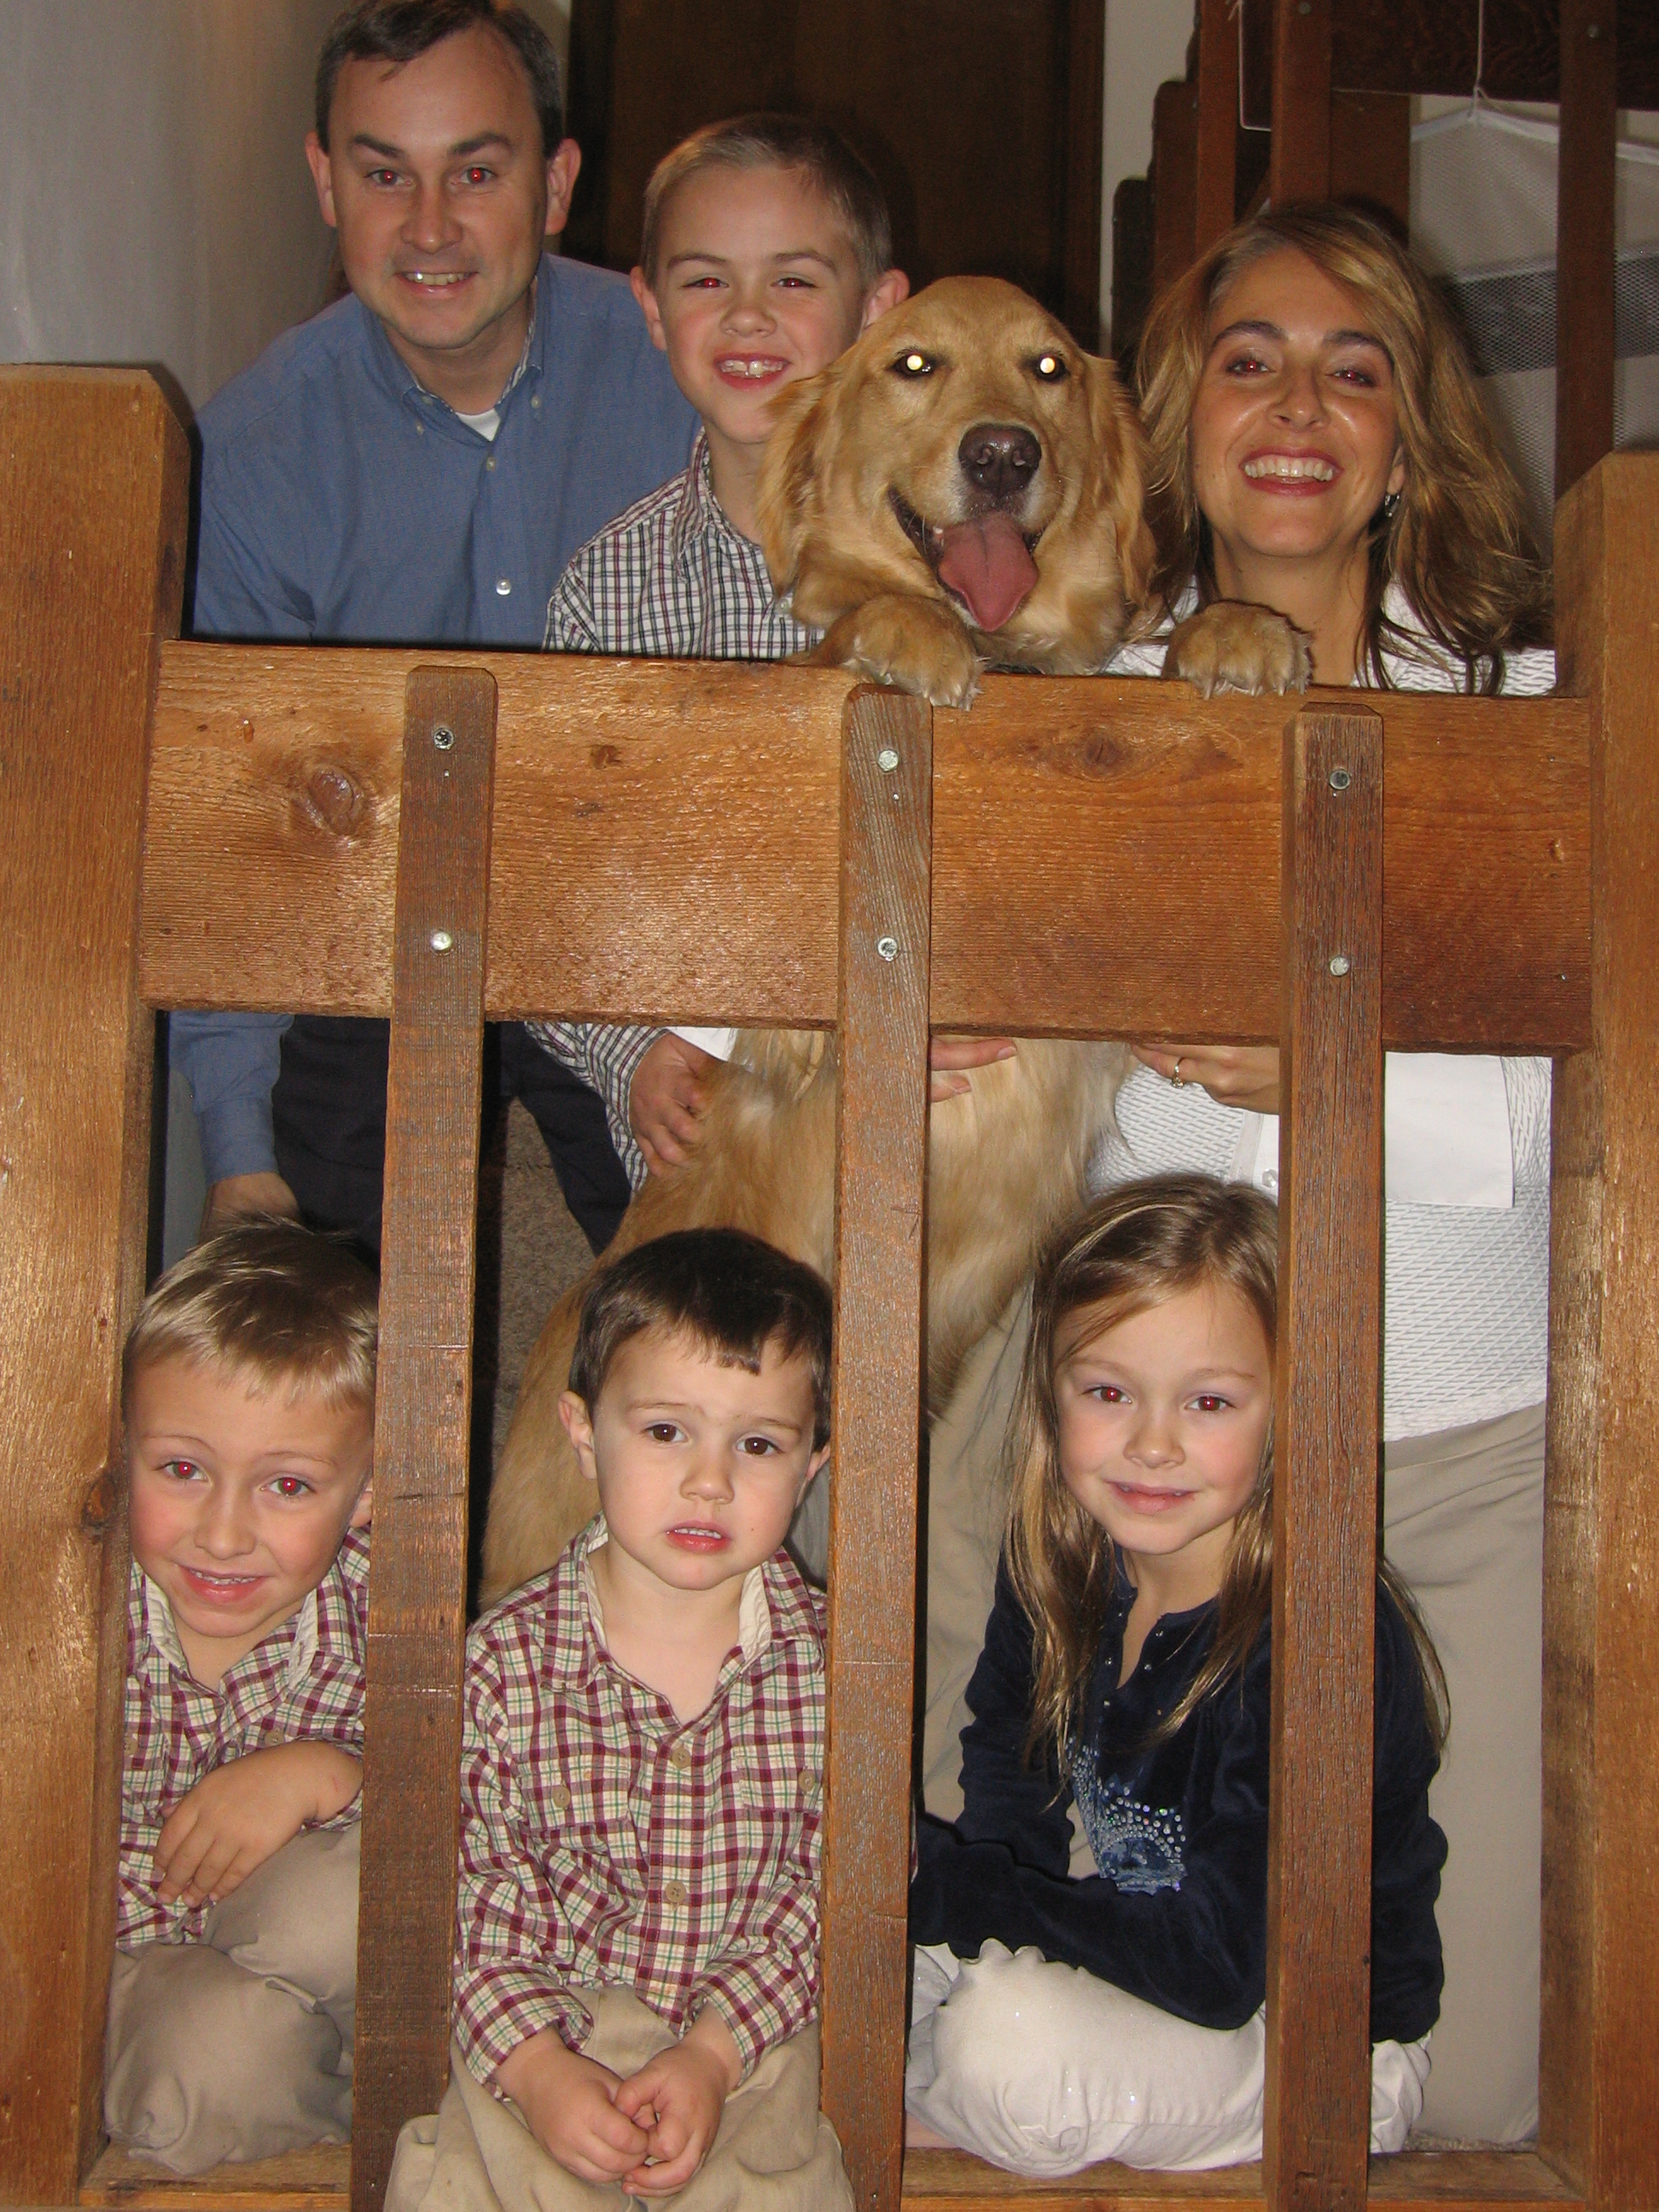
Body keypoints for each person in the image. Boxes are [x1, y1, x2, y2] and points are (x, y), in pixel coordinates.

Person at [922, 202, 1554, 2142]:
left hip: (1438, 1439)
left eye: (1350, 369)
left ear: (1407, 432)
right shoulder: (1082, 685)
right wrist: (924, 1032)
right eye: (1245, 363)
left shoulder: (1524, 714)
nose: (1292, 408)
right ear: (1171, 419)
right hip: (1121, 1457)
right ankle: (1114, 2074)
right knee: (960, 1926)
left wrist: (1330, 1061)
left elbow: (1568, 1107)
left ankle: (1238, 2093)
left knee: (1483, 2078)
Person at [169, 0, 697, 1257]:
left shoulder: (683, 373)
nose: (429, 229)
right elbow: (225, 822)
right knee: (317, 1286)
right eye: (383, 174)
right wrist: (239, 1155)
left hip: (632, 911)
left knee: (706, 1274)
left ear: (555, 184)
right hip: (377, 923)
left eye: (476, 171)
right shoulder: (254, 451)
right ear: (324, 182)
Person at [907, 1175, 1447, 2175]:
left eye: (1209, 1402)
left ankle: (958, 2104)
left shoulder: (1320, 1638)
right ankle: (954, 2092)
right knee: (844, 1944)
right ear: (1050, 1393)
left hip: (1310, 2045)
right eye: (1108, 1393)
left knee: (1003, 2035)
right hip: (1159, 1983)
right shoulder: (1061, 1560)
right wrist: (944, 1903)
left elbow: (1218, 1966)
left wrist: (951, 1894)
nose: (1152, 1444)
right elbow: (1010, 1794)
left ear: (1288, 1407)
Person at [524, 112, 1010, 1190]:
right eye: (705, 281)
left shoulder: (975, 570)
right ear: (650, 307)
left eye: (794, 280)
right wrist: (629, 1050)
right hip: (721, 1152)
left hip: (947, 1130)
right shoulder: (610, 587)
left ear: (880, 309)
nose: (747, 315)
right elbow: (557, 886)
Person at [385, 1229, 850, 2211]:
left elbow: (833, 1884)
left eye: (758, 1444)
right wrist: (537, 2066)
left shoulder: (833, 1668)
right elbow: (472, 1884)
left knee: (786, 2172)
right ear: (582, 1430)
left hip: (749, 2034)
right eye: (666, 1431)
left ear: (813, 1465)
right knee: (468, 2171)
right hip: (552, 2020)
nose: (710, 1481)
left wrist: (713, 2052)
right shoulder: (502, 1664)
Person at [106, 1218, 379, 2173]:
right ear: (121, 1448)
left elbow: (493, 1784)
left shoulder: (387, 1606)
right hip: (122, 1966)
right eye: (182, 1470)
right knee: (216, 2057)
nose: (223, 1535)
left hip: (301, 1939)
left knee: (358, 1898)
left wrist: (328, 1773)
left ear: (369, 1491)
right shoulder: (68, 1604)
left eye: (288, 1486)